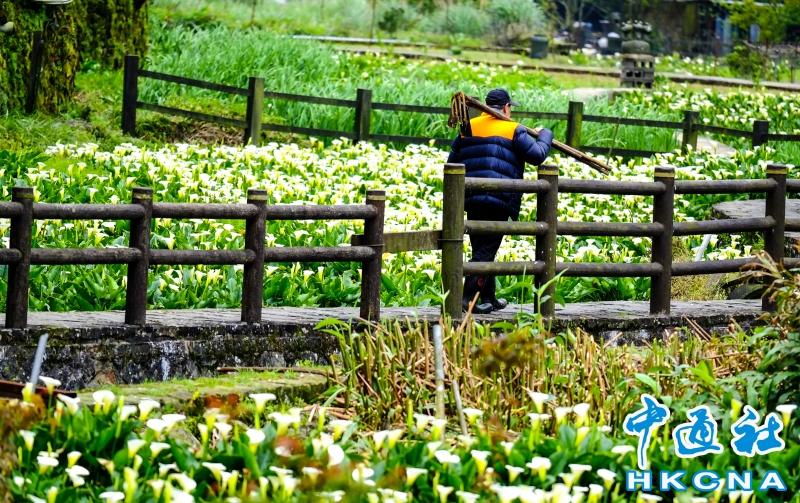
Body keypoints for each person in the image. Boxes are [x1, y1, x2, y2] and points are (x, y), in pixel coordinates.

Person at [447, 88, 553, 314]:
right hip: (499, 197)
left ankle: (488, 298)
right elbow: (537, 156)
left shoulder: (468, 127)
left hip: (472, 197)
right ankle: (467, 299)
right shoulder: (513, 129)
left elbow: (453, 160)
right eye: (510, 107)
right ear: (506, 107)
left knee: (482, 248)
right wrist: (546, 135)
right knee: (486, 250)